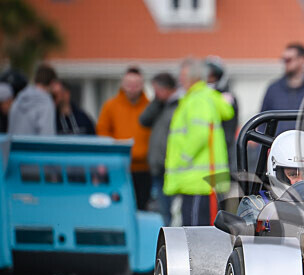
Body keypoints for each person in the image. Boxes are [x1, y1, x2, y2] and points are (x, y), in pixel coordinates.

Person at [164, 58, 234, 226]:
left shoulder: (198, 99)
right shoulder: (201, 98)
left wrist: (183, 159)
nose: (179, 79)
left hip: (197, 180)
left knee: (196, 235)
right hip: (200, 180)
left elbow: (200, 134)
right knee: (201, 232)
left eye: (182, 74)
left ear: (193, 77)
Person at [237, 130, 304, 224]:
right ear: (276, 170)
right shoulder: (256, 207)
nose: (300, 181)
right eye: (293, 174)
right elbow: (247, 238)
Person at [96, 67, 151, 209]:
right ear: (122, 85)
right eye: (129, 84)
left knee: (142, 207)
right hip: (119, 167)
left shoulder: (149, 107)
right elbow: (102, 131)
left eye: (136, 85)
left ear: (142, 85)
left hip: (144, 169)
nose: (132, 89)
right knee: (119, 206)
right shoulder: (111, 106)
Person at [140, 72, 180, 226]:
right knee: (161, 211)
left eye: (157, 90)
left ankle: (170, 244)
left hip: (169, 167)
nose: (155, 94)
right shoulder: (160, 106)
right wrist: (156, 101)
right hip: (157, 167)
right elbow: (143, 120)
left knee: (170, 212)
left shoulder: (179, 106)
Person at [260, 43, 304, 135]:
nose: (285, 63)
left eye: (289, 60)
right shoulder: (273, 89)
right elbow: (262, 121)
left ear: (302, 60)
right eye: (284, 60)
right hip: (277, 145)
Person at [206, 56, 239, 172]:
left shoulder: (226, 98)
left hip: (222, 156)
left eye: (212, 77)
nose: (208, 81)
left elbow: (229, 131)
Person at [8, 63, 57, 136]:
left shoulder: (19, 99)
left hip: (14, 146)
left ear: (35, 79)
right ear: (52, 82)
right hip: (33, 147)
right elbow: (47, 136)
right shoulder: (46, 103)